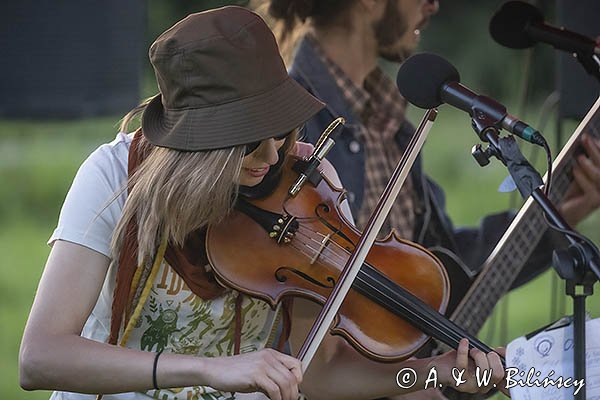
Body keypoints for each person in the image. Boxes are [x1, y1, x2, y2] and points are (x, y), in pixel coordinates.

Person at [19, 6, 508, 400]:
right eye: (250, 141)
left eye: (280, 129)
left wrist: (429, 371)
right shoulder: (114, 176)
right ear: (200, 141)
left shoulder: (308, 182)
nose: (274, 154)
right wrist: (209, 371)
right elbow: (39, 358)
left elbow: (319, 378)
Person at [266, 0, 600, 300]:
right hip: (330, 368)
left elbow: (442, 262)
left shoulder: (390, 127)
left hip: (411, 366)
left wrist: (558, 216)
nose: (434, 6)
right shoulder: (289, 123)